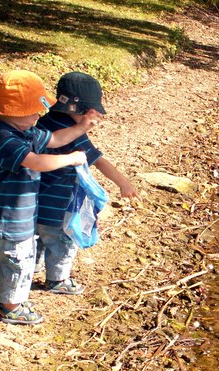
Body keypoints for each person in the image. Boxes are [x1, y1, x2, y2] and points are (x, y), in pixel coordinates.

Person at [0, 70, 101, 325]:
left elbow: (56, 139)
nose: (40, 115)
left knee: (20, 259)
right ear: (14, 112)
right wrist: (71, 158)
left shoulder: (25, 131)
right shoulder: (5, 140)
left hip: (22, 216)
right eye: (34, 110)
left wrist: (82, 127)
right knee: (18, 260)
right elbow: (36, 162)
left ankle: (7, 297)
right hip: (8, 218)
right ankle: (11, 307)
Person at [36, 72, 140, 295]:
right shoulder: (73, 133)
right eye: (85, 112)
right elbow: (98, 160)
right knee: (64, 239)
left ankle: (32, 268)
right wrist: (123, 182)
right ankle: (57, 280)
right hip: (61, 199)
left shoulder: (45, 121)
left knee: (40, 235)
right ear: (75, 109)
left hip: (38, 196)